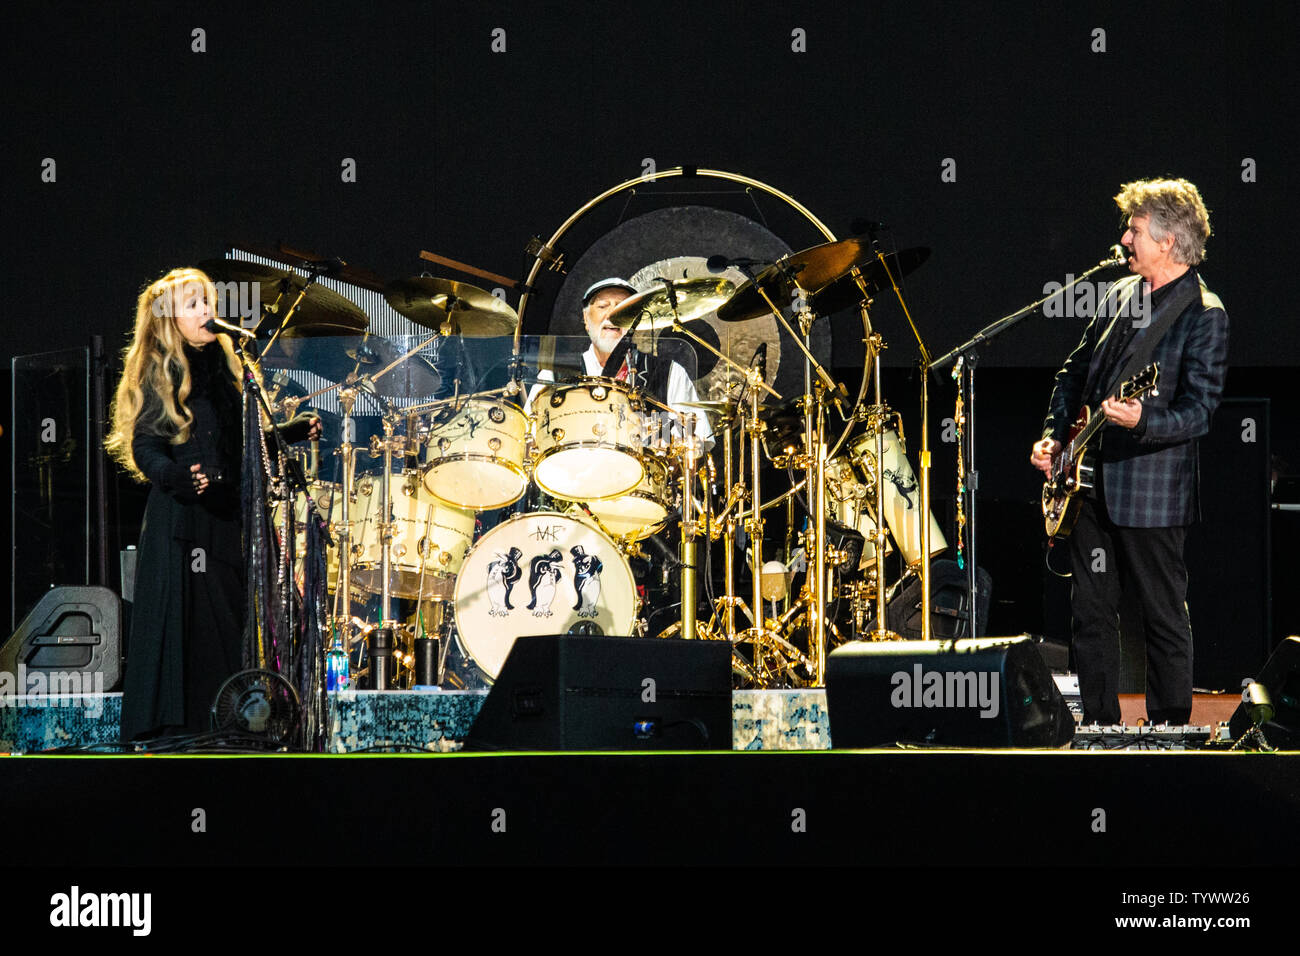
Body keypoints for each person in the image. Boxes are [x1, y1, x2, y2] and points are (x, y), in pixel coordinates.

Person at [1030, 179, 1229, 725]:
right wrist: (1054, 435)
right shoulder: (1118, 294)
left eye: (1135, 230)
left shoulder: (1203, 314)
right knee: (1090, 614)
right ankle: (1097, 725)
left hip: (1151, 492)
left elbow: (1200, 411)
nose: (1124, 238)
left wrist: (1145, 418)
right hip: (1086, 482)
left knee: (1163, 617)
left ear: (1167, 240)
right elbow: (1072, 372)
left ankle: (1170, 730)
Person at [107, 268, 319, 741]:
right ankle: (181, 737)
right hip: (182, 523)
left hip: (227, 521)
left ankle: (229, 729)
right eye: (193, 305)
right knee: (189, 632)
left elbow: (238, 448)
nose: (207, 312)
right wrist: (175, 476)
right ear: (167, 320)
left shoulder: (228, 367)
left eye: (208, 302)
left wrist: (284, 434)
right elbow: (146, 448)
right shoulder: (158, 369)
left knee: (227, 625)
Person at [531, 277, 711, 445]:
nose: (612, 314)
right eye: (603, 306)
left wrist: (674, 443)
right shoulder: (553, 376)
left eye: (623, 308)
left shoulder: (670, 373)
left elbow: (698, 442)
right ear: (586, 319)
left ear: (636, 321)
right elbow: (529, 443)